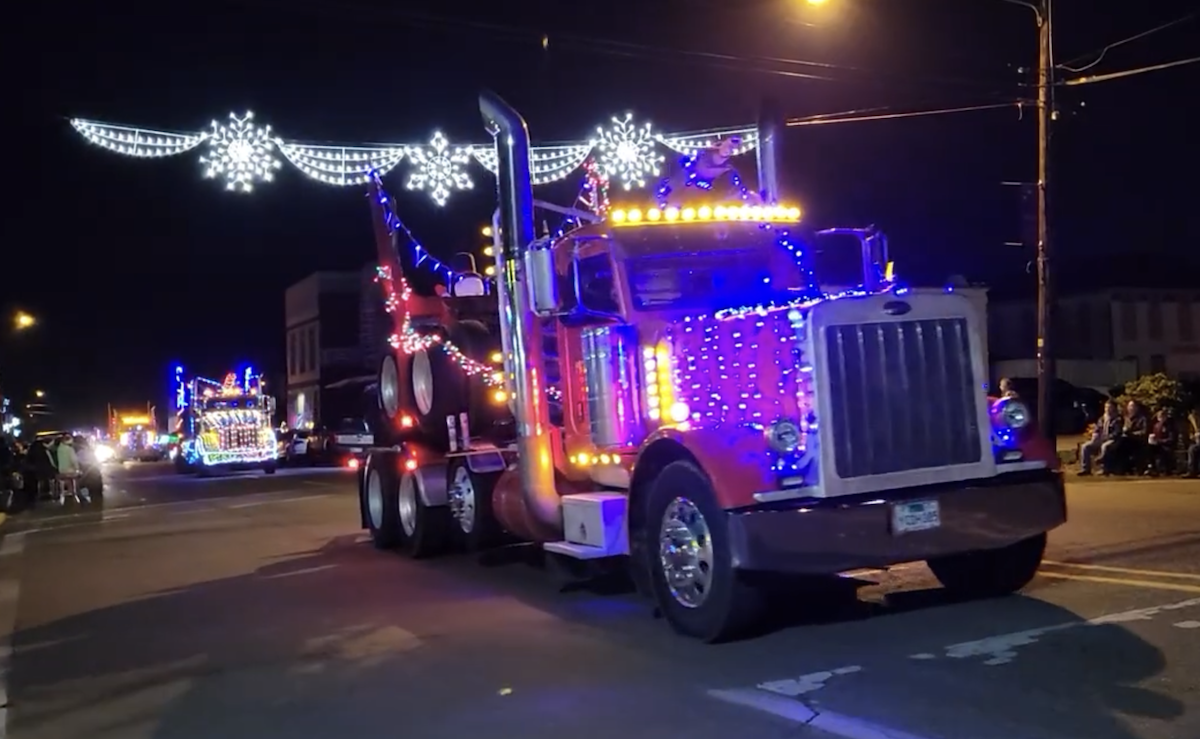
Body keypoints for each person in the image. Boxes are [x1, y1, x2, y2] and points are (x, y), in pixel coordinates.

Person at [1079, 400, 1122, 476]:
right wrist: (1095, 435)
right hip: (1100, 439)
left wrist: (1106, 438)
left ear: (1114, 408)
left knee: (1105, 446)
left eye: (1110, 407)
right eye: (1106, 407)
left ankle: (1104, 468)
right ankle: (1085, 469)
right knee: (1085, 446)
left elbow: (1117, 433)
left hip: (1113, 440)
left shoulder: (1118, 419)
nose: (1107, 409)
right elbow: (1097, 429)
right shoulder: (1102, 419)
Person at [1148, 408, 1178, 475]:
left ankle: (1166, 469)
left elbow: (1171, 439)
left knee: (1165, 451)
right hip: (1157, 445)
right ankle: (1152, 468)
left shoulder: (1170, 426)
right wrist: (1152, 439)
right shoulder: (1156, 426)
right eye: (1159, 417)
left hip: (1167, 445)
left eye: (1163, 417)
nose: (1161, 419)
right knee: (1149, 449)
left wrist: (1160, 441)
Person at [55, 434, 83, 502]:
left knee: (67, 478)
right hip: (70, 471)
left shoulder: (59, 449)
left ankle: (68, 491)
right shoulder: (69, 449)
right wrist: (78, 468)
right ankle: (76, 492)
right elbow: (74, 460)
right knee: (79, 474)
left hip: (61, 470)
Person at [1185, 409, 1200, 478]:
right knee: (1192, 449)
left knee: (1193, 448)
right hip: (1197, 443)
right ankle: (1192, 471)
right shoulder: (1191, 425)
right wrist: (1193, 436)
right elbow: (1191, 435)